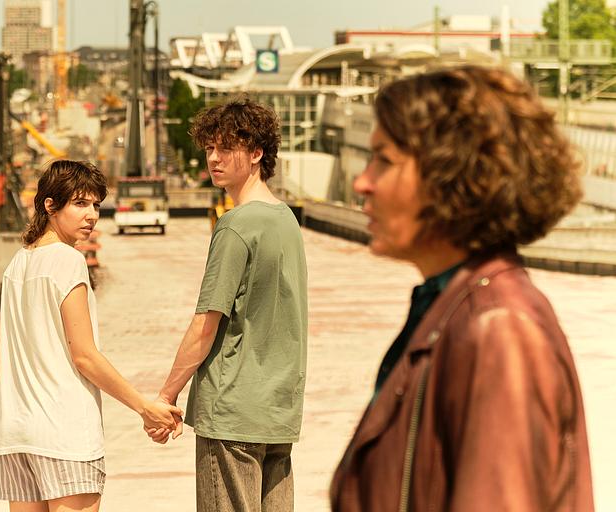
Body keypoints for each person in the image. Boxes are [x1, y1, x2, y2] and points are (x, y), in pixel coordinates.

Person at [330, 66, 594, 511]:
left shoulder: (499, 329)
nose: (362, 182)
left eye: (384, 160)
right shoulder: (453, 307)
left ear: (451, 175)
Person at [0, 159, 183, 512]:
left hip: (18, 435)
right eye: (80, 203)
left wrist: (28, 401)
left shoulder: (16, 265)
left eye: (96, 204)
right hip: (66, 434)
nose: (92, 214)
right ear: (50, 205)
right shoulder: (67, 261)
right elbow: (84, 355)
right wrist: (144, 408)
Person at [149, 97, 309, 512]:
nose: (214, 159)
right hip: (278, 411)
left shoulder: (237, 225)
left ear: (257, 153)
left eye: (226, 148)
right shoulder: (287, 220)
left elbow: (206, 324)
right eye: (209, 149)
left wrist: (166, 396)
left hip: (233, 411)